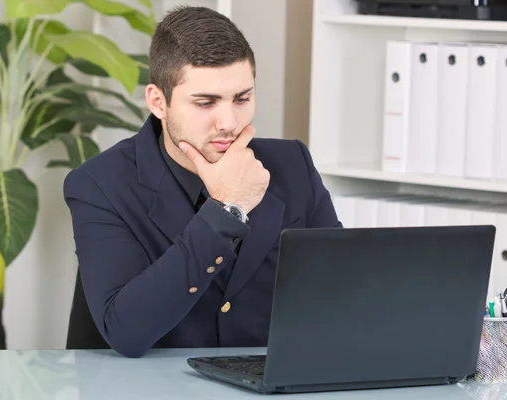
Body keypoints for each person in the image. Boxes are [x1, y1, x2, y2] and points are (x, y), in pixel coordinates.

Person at [63, 5, 341, 359]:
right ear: (158, 102)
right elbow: (126, 331)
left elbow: (339, 291)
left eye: (242, 99)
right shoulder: (99, 185)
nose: (228, 122)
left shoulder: (293, 165)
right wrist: (227, 209)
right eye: (205, 102)